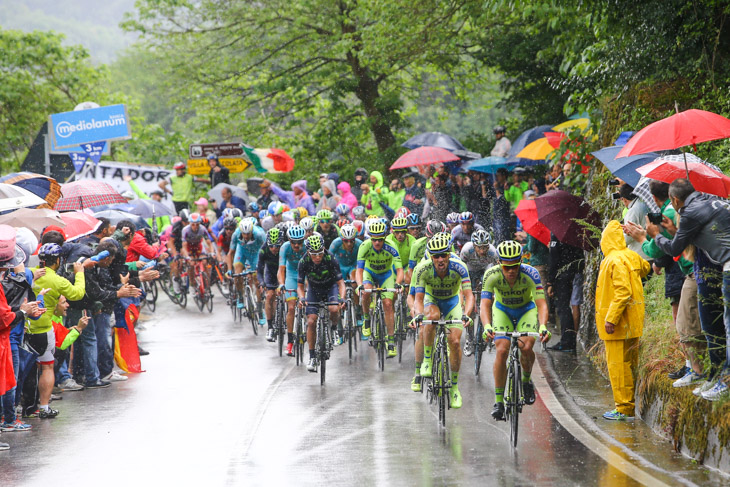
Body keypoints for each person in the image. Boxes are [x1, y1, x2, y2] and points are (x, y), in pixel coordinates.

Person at [649, 179, 730, 401]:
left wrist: (655, 235)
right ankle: (718, 376)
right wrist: (675, 229)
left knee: (726, 326)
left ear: (675, 200)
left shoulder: (691, 211)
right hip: (721, 266)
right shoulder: (711, 202)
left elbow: (675, 248)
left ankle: (724, 382)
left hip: (725, 267)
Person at [481, 240, 550, 421]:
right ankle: (498, 402)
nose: (511, 271)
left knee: (526, 347)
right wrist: (487, 325)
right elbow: (485, 304)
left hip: (526, 310)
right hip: (502, 310)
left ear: (521, 262)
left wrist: (543, 326)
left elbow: (541, 303)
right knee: (502, 349)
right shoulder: (491, 275)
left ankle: (526, 381)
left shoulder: (531, 274)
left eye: (515, 266)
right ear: (499, 264)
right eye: (506, 267)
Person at [595, 220, 650, 420]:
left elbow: (622, 292)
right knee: (630, 364)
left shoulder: (612, 260)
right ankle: (629, 403)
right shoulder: (630, 256)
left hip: (617, 325)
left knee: (618, 367)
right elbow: (645, 268)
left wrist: (611, 318)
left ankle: (623, 407)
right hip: (633, 322)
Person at [412, 232, 473, 407]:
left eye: (444, 255)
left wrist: (466, 314)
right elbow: (418, 298)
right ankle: (428, 360)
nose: (440, 259)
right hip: (432, 300)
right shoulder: (422, 269)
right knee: (431, 317)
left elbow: (469, 296)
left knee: (454, 341)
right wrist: (418, 314)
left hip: (452, 302)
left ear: (449, 254)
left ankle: (454, 387)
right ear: (431, 257)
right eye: (436, 256)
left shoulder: (460, 267)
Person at [31, 242, 91, 413]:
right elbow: (77, 293)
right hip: (43, 327)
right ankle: (43, 407)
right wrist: (80, 274)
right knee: (47, 367)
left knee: (27, 370)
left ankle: (25, 406)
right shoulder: (57, 280)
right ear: (57, 260)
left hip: (24, 327)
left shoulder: (30, 273)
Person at [297, 234, 346, 371]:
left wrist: (341, 298)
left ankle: (335, 328)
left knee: (334, 309)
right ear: (308, 252)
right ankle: (312, 356)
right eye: (314, 254)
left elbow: (341, 283)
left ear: (324, 249)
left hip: (330, 287)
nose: (317, 257)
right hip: (314, 289)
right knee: (311, 321)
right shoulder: (304, 261)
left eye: (320, 253)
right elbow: (300, 285)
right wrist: (302, 298)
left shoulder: (330, 258)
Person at [356, 220, 403, 357]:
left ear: (384, 238)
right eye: (374, 240)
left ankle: (391, 340)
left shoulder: (391, 246)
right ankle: (366, 319)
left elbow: (399, 270)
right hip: (369, 273)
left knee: (388, 304)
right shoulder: (364, 246)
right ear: (370, 237)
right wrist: (360, 285)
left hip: (386, 275)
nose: (377, 243)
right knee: (366, 292)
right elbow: (359, 270)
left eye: (380, 240)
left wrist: (398, 283)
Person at [459, 229, 498, 356]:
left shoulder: (493, 252)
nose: (482, 251)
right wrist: (463, 291)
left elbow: (497, 272)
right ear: (474, 246)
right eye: (479, 247)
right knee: (468, 305)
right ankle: (469, 338)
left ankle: (489, 329)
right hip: (468, 272)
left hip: (485, 272)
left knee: (489, 300)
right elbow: (460, 271)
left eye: (484, 247)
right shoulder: (466, 250)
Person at [545, 235, 584, 352]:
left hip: (562, 275)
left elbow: (554, 259)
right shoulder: (574, 231)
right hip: (576, 272)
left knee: (563, 308)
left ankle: (567, 342)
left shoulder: (557, 234)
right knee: (571, 306)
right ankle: (571, 339)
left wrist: (550, 282)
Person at [227, 218, 266, 324]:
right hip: (242, 253)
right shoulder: (236, 234)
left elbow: (266, 251)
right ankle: (240, 296)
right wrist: (229, 270)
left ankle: (260, 310)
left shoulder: (259, 234)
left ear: (252, 231)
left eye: (248, 234)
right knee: (237, 274)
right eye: (243, 234)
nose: (245, 236)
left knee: (257, 281)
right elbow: (230, 253)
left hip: (256, 254)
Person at [278, 225, 308, 355]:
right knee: (291, 308)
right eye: (294, 242)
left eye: (299, 242)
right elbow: (281, 270)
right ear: (289, 240)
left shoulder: (308, 247)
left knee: (307, 303)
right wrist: (281, 284)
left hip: (305, 275)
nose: (296, 245)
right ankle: (290, 341)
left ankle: (306, 325)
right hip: (291, 275)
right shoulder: (284, 247)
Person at [260, 228, 284, 343]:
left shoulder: (284, 249)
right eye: (271, 246)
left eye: (277, 246)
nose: (274, 249)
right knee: (269, 296)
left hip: (284, 272)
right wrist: (261, 282)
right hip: (270, 273)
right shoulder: (264, 249)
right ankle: (270, 326)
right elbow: (259, 269)